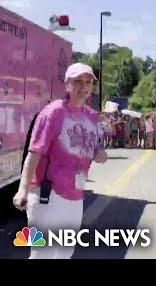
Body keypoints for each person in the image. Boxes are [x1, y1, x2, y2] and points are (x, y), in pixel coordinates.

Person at [13, 63, 108, 259]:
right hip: (46, 193)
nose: (83, 87)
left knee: (65, 252)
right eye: (78, 82)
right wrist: (23, 189)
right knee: (42, 252)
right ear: (67, 84)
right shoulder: (52, 113)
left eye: (88, 82)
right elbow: (34, 152)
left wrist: (100, 152)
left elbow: (93, 145)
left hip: (75, 195)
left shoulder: (91, 116)